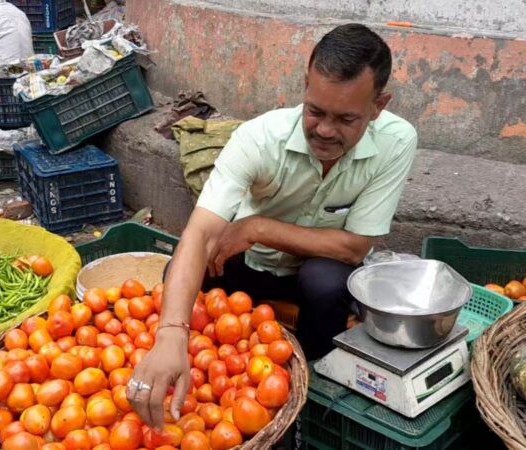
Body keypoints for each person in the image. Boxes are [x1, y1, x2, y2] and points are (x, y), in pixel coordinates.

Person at [126, 23, 418, 428]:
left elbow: (355, 247)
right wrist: (171, 331)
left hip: (313, 275)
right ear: (304, 86)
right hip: (247, 267)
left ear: (378, 106)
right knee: (182, 270)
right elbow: (200, 232)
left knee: (328, 281)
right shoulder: (258, 139)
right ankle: (184, 367)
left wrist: (257, 227)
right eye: (315, 111)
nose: (326, 130)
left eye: (346, 118)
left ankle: (312, 387)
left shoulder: (397, 141)